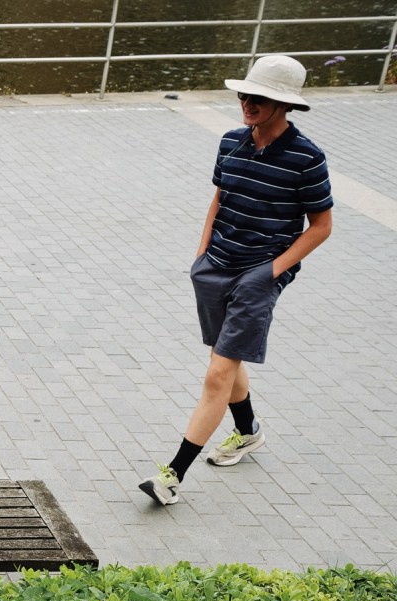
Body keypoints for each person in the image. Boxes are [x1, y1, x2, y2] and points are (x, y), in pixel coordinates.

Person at [139, 54, 333, 506]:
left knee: (217, 373)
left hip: (259, 275)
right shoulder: (230, 142)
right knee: (224, 358)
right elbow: (220, 198)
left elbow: (321, 227)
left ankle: (171, 477)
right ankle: (248, 431)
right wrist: (201, 255)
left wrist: (270, 273)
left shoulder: (307, 158)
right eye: (245, 94)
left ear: (284, 104)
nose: (247, 103)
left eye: (258, 98)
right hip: (215, 266)